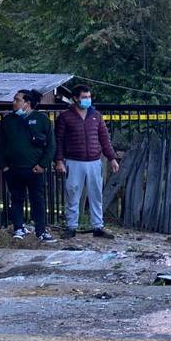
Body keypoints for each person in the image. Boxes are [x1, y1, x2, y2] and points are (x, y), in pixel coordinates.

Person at [54, 84, 119, 239]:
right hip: (73, 161)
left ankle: (98, 226)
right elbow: (58, 141)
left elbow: (104, 139)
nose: (87, 100)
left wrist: (112, 158)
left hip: (94, 161)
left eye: (89, 97)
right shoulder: (65, 117)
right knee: (73, 194)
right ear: (75, 98)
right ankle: (71, 227)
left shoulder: (96, 115)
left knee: (96, 194)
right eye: (84, 97)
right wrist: (59, 160)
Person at [0, 89, 57, 243]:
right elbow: (1, 145)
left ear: (27, 103)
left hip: (34, 169)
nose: (14, 103)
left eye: (17, 100)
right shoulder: (7, 121)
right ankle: (18, 228)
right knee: (16, 199)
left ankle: (40, 231)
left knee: (37, 200)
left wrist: (43, 165)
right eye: (14, 100)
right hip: (13, 169)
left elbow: (51, 145)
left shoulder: (42, 119)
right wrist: (4, 166)